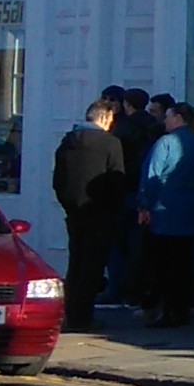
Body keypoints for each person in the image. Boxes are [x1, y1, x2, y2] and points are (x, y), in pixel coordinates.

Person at [138, 103, 194, 329]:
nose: (165, 121)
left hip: (166, 211)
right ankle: (184, 308)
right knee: (188, 263)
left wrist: (143, 206)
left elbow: (151, 177)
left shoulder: (167, 143)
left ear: (179, 118)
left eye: (169, 117)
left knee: (164, 265)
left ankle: (168, 311)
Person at [52, 98, 127, 333]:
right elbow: (117, 179)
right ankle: (83, 317)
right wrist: (114, 207)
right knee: (92, 266)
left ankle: (71, 312)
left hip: (74, 211)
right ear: (103, 118)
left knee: (75, 263)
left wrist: (68, 203)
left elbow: (58, 181)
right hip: (99, 211)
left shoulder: (67, 143)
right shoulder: (110, 144)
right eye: (111, 119)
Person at [106, 87, 161, 308]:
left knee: (118, 245)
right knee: (138, 245)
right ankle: (136, 290)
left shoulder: (122, 128)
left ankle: (117, 289)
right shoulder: (152, 126)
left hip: (125, 191)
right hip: (143, 190)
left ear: (127, 105)